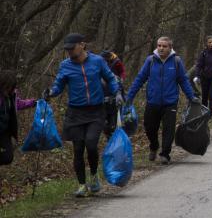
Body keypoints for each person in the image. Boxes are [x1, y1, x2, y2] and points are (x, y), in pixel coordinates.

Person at [44, 33, 122, 197]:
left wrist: (118, 93)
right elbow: (58, 85)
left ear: (82, 45)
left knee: (91, 144)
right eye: (67, 49)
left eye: (72, 48)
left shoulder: (97, 61)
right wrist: (51, 92)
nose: (69, 52)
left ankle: (94, 176)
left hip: (96, 111)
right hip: (75, 113)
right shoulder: (65, 65)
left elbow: (110, 78)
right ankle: (81, 185)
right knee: (78, 149)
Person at [126, 36, 197, 165]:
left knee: (168, 129)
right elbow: (140, 79)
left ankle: (165, 154)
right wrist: (130, 96)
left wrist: (191, 97)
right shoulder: (150, 61)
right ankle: (154, 146)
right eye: (159, 45)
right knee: (149, 127)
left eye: (164, 46)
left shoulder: (176, 61)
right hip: (152, 101)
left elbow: (183, 80)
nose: (161, 48)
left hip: (170, 102)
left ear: (170, 47)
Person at [0, 70, 36, 166]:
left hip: (4, 132)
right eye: (6, 87)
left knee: (8, 157)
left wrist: (33, 102)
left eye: (10, 88)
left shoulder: (12, 95)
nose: (8, 90)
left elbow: (18, 104)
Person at [100, 50, 126, 137]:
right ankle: (107, 130)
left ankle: (114, 130)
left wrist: (121, 79)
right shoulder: (99, 62)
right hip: (103, 90)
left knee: (115, 113)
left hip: (116, 87)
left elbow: (122, 71)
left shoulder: (117, 62)